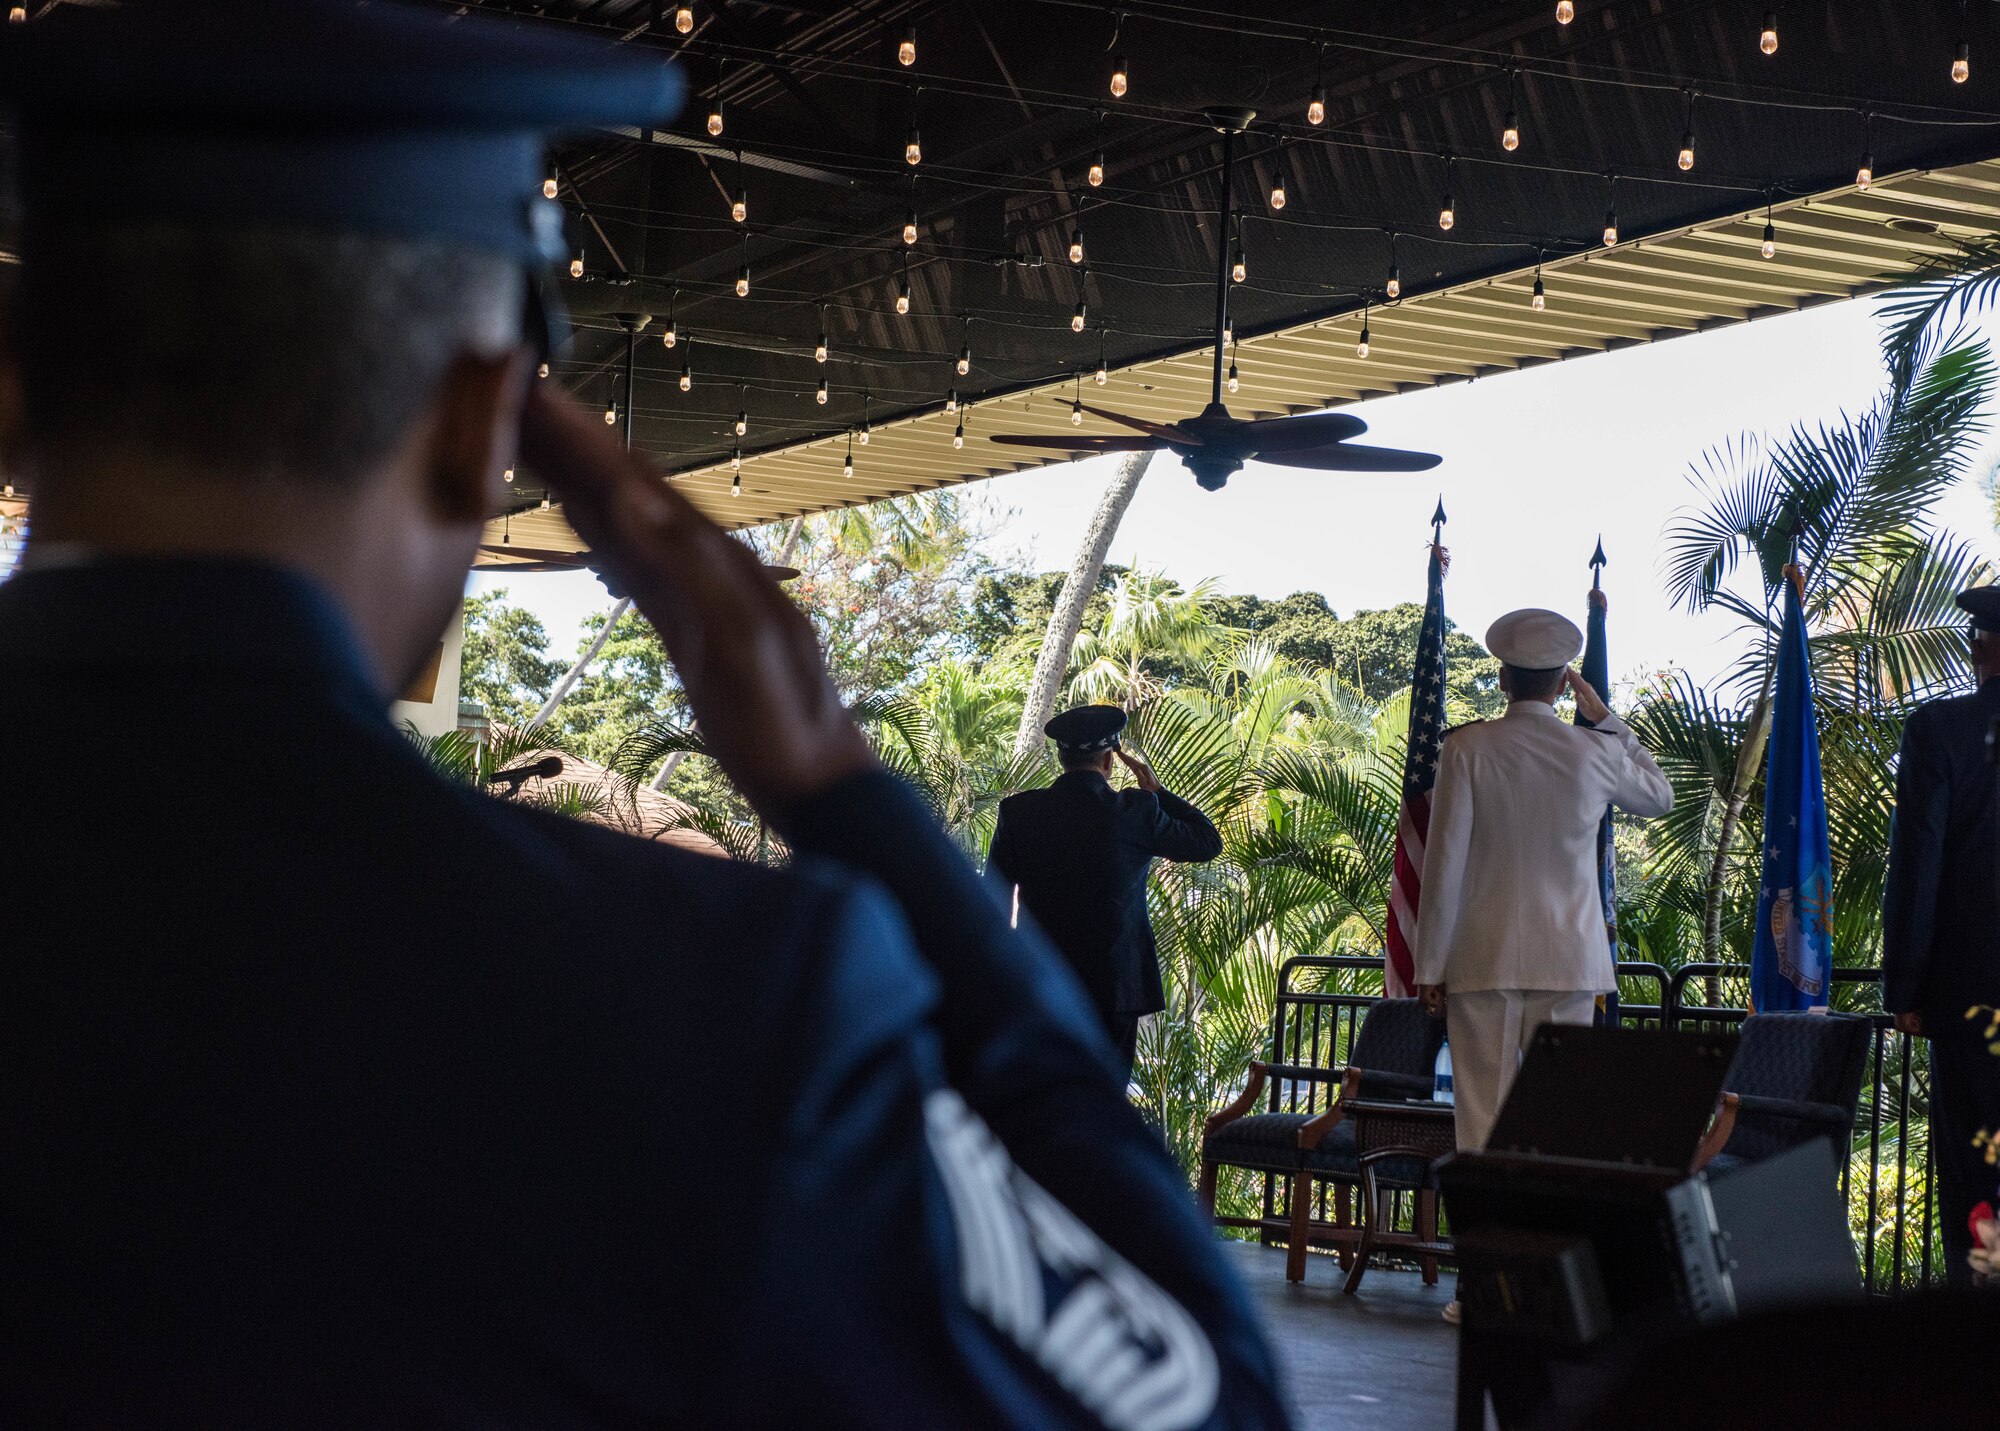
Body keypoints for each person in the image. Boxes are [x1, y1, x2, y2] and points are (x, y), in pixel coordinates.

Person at [0, 4, 1288, 1427]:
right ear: (485, 424)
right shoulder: (718, 1002)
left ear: (13, 385)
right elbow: (1198, 1394)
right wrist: (838, 786)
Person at [1413, 606, 1674, 1156]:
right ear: (1564, 683)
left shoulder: (1466, 748)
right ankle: (1547, 1240)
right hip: (1570, 962)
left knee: (1481, 1125)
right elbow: (1660, 796)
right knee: (1562, 1124)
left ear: (1502, 678)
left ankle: (1485, 1240)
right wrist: (1606, 719)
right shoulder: (1595, 751)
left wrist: (1430, 966)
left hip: (1482, 960)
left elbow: (1443, 864)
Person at [987, 705, 1224, 1076]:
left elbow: (995, 900)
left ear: (1062, 757)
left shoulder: (1019, 811)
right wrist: (1157, 791)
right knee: (1104, 1097)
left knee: (1048, 1099)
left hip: (1043, 979)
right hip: (1116, 987)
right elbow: (1207, 842)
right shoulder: (1135, 810)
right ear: (1111, 760)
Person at [1882, 584, 2000, 1287]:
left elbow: (1917, 863)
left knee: (1977, 1173)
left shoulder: (1939, 730)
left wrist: (1906, 987)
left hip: (1969, 1001)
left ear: (1981, 648)